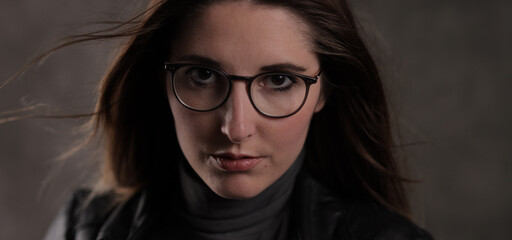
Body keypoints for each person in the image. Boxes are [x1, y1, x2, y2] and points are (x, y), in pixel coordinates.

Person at [42, 0, 433, 239]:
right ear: (163, 79)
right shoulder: (85, 227)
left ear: (324, 91)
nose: (236, 126)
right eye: (204, 76)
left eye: (279, 81)